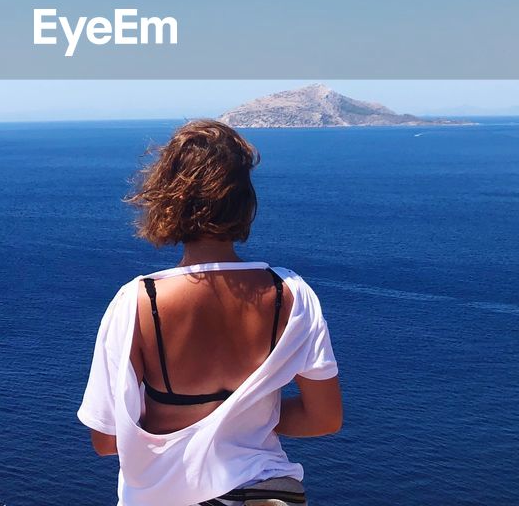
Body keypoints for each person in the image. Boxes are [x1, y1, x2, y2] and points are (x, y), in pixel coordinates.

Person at [78, 119, 343, 506]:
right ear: (244, 200)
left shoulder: (137, 303)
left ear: (167, 197)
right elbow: (325, 418)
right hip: (270, 491)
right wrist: (246, 415)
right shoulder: (293, 294)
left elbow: (106, 440)